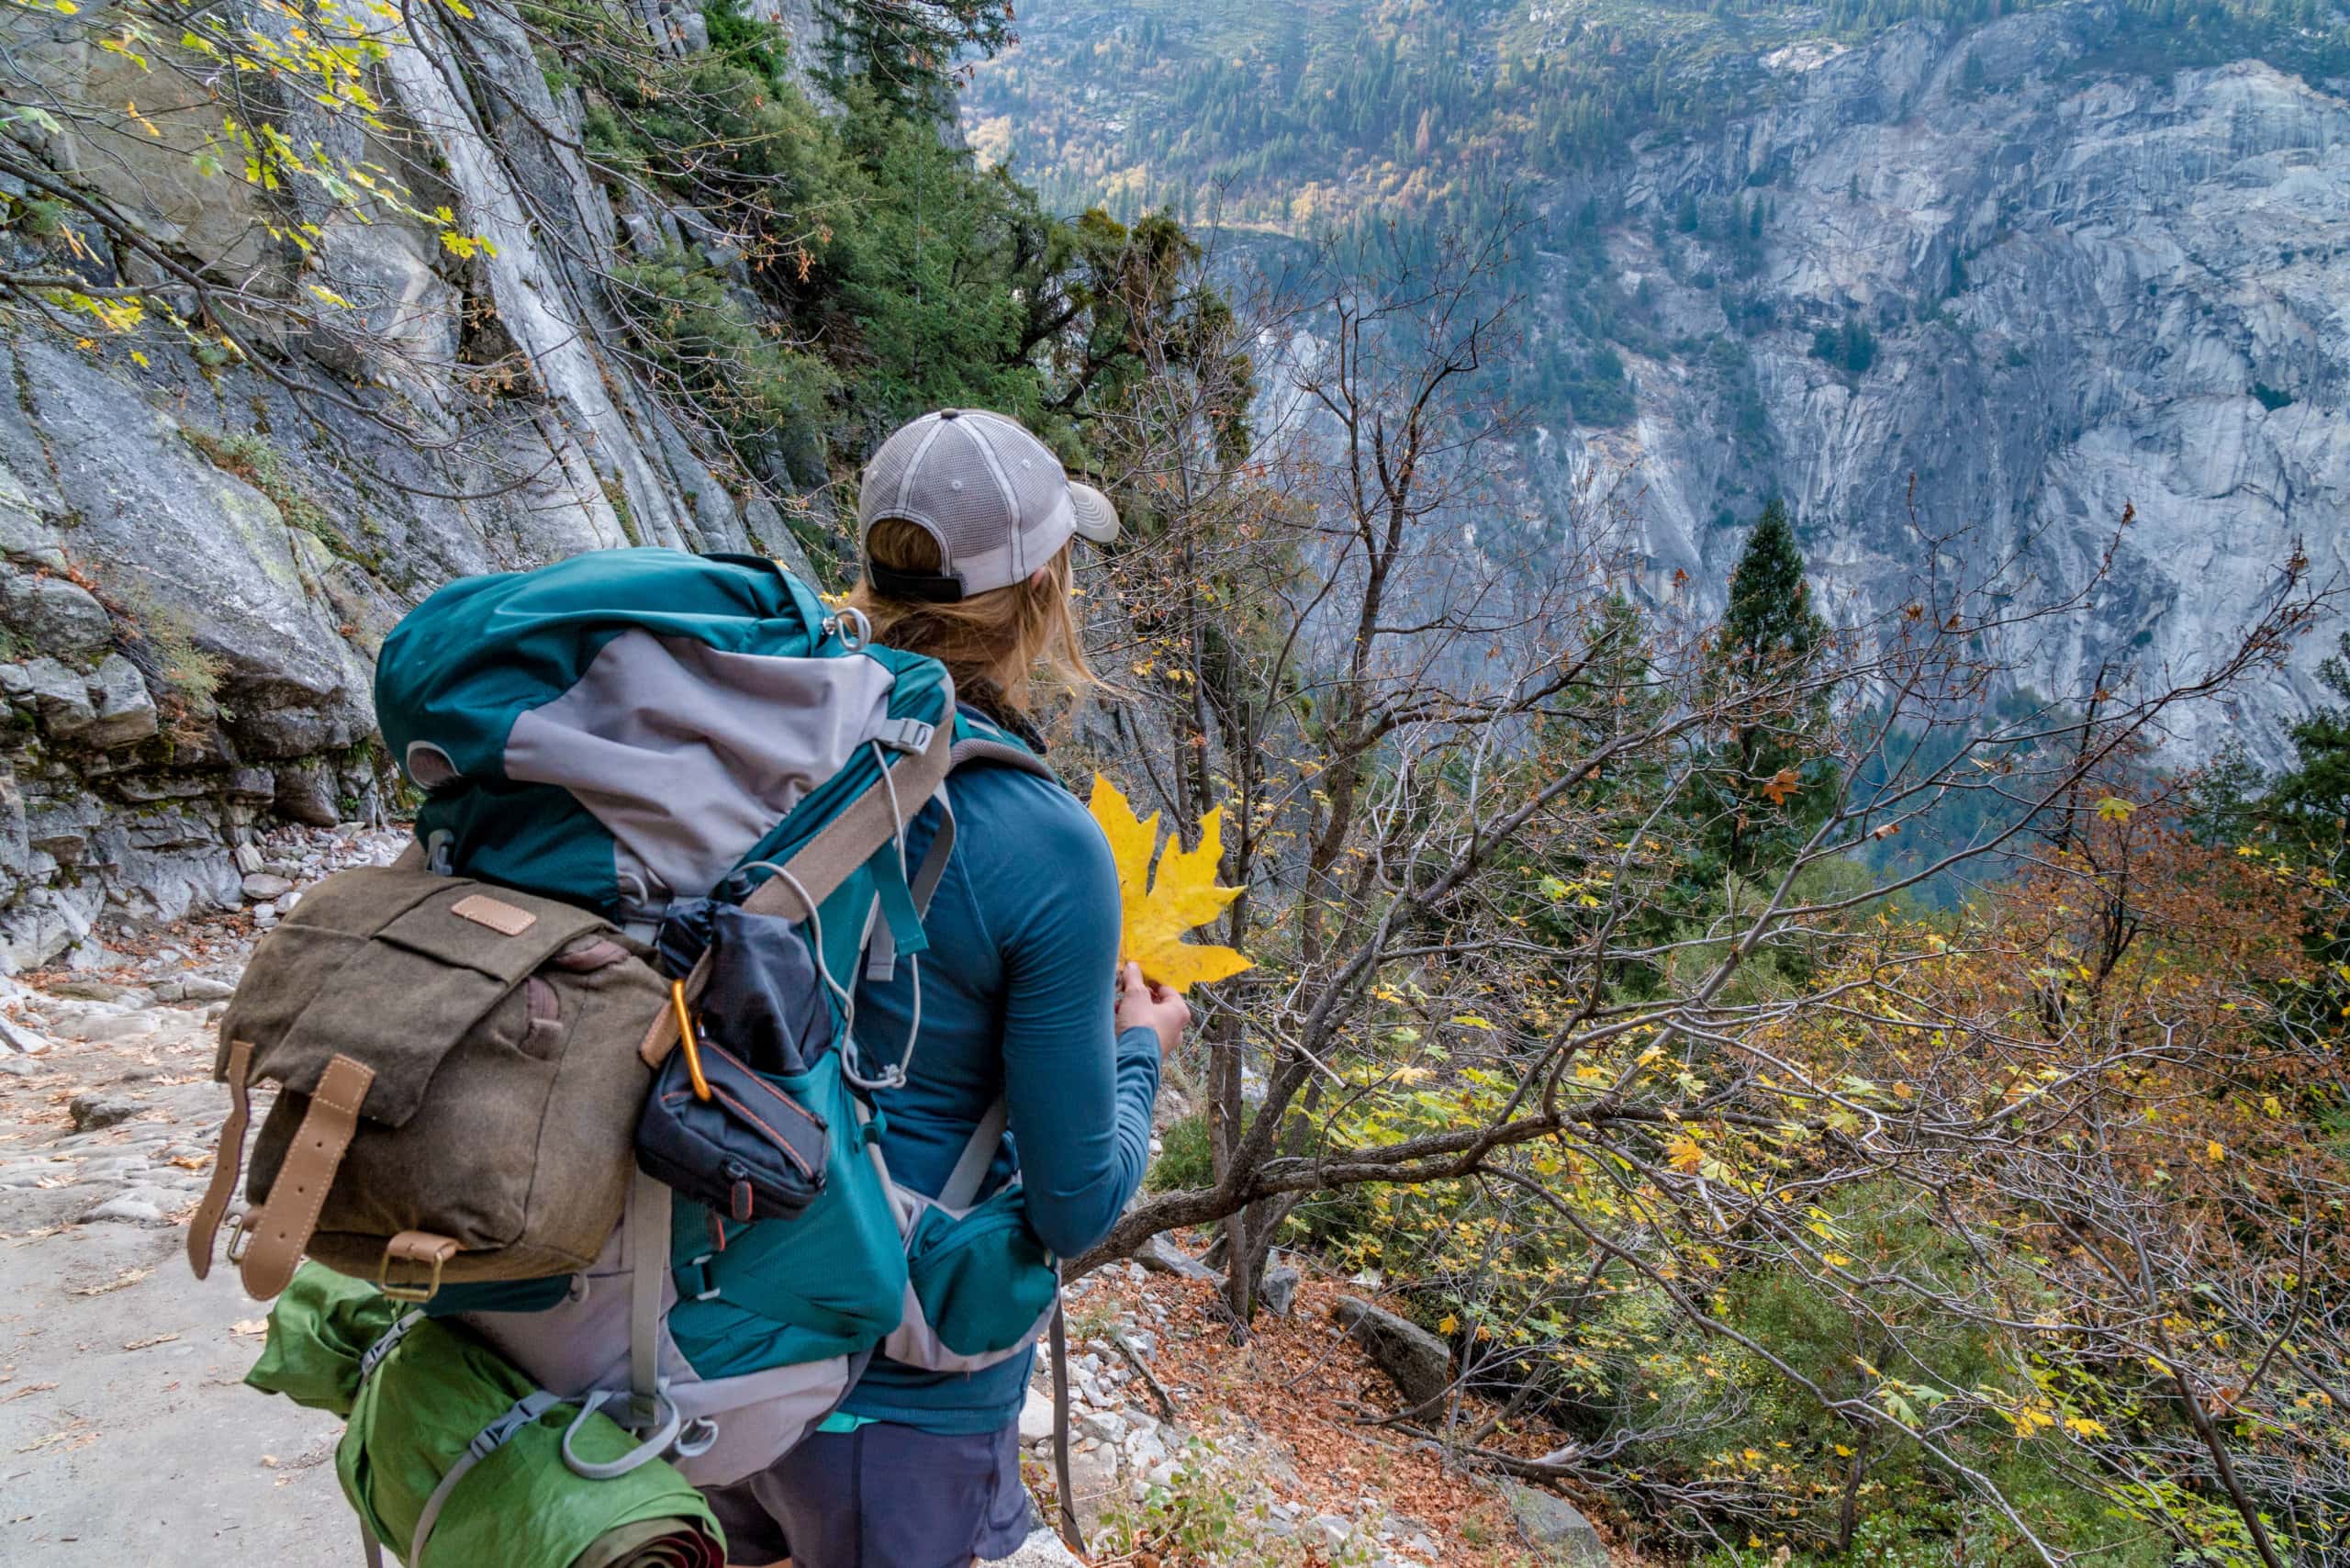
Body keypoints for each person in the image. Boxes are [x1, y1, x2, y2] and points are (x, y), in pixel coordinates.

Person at [700, 409, 1189, 1568]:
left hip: (715, 1329)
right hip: (898, 1396)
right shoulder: (1042, 839)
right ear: (1044, 589)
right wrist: (1141, 1044)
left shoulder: (762, 739)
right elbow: (1074, 1200)